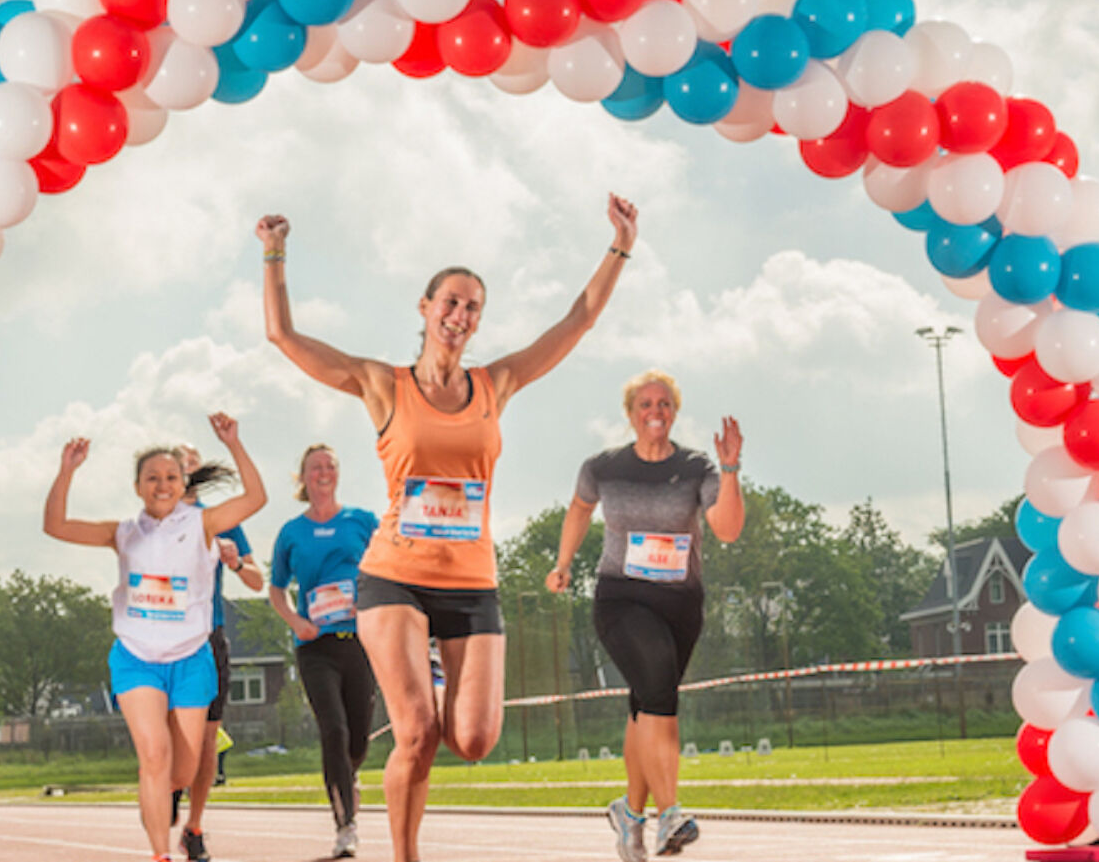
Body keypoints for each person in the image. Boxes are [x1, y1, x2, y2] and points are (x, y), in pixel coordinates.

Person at [257, 193, 639, 862]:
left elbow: (576, 322)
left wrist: (621, 245)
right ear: (425, 308)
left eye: (472, 308)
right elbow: (285, 338)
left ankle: (429, 681)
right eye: (450, 302)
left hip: (471, 583)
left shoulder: (498, 383)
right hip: (393, 577)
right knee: (416, 734)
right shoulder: (383, 384)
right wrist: (274, 254)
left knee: (476, 738)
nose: (460, 316)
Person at [43, 413, 266, 862]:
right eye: (151, 477)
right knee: (153, 756)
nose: (161, 484)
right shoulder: (123, 532)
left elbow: (257, 498)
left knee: (181, 770)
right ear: (138, 486)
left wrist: (234, 443)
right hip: (137, 658)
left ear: (184, 481)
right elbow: (56, 526)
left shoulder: (206, 523)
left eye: (170, 476)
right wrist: (66, 471)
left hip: (190, 658)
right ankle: (159, 854)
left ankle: (167, 800)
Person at [546, 370, 744, 861]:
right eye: (646, 404)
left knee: (647, 706)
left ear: (674, 411)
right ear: (631, 413)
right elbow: (578, 509)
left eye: (664, 404)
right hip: (622, 598)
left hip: (680, 605)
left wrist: (732, 468)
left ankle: (630, 814)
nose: (655, 412)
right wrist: (563, 562)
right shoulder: (604, 466)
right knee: (659, 691)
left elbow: (727, 528)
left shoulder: (697, 467)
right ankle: (670, 812)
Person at [268, 444, 380, 858]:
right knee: (332, 730)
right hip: (315, 647)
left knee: (356, 741)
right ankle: (345, 825)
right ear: (303, 477)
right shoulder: (291, 533)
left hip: (361, 641)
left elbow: (389, 563)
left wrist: (367, 597)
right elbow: (276, 589)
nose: (324, 472)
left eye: (330, 465)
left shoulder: (362, 521)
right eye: (316, 467)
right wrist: (296, 622)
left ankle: (347, 778)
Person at [170, 442, 264, 862]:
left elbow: (258, 581)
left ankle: (194, 828)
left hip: (210, 636)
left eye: (191, 462)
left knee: (208, 739)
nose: (186, 470)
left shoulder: (223, 519)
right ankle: (172, 783)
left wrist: (236, 562)